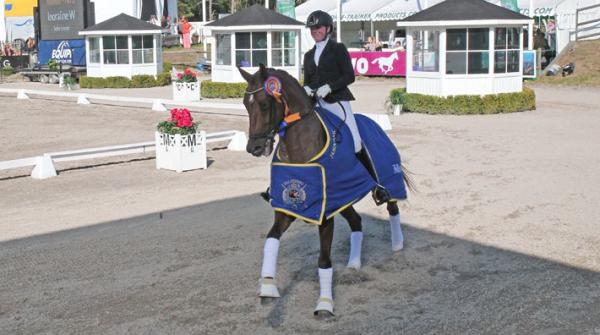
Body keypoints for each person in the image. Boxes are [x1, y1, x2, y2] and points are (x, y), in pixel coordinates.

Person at [302, 10, 390, 205]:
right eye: (312, 28)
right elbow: (307, 80)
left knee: (355, 140)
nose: (314, 31)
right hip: (316, 103)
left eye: (318, 27)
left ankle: (377, 186)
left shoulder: (338, 48)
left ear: (328, 29)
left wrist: (330, 86)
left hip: (337, 101)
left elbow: (349, 76)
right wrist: (306, 87)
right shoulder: (308, 55)